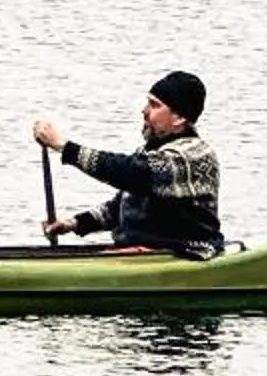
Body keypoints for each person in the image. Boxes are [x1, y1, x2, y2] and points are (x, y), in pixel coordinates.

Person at [34, 70, 223, 260]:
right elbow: (121, 208)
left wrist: (65, 147)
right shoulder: (150, 152)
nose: (144, 111)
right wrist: (74, 223)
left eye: (154, 105)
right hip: (142, 255)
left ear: (179, 118)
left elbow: (129, 173)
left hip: (186, 254)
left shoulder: (192, 155)